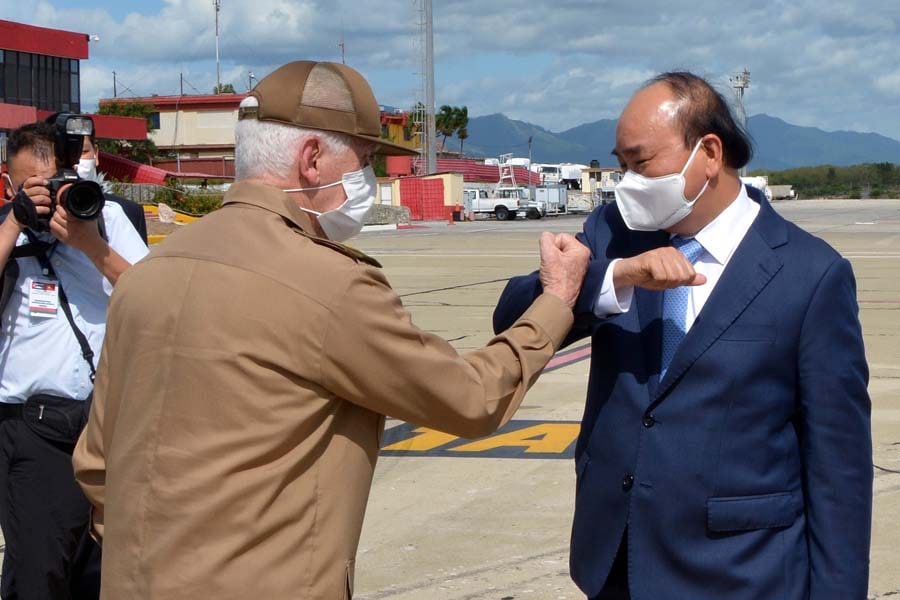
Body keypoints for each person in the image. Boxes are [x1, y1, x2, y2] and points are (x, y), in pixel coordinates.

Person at [72, 60, 590, 599]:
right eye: (363, 161)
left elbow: (96, 464)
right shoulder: (329, 285)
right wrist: (555, 303)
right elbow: (471, 398)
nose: (367, 180)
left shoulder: (147, 275)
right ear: (313, 160)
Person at [494, 72, 872, 600]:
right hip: (616, 563)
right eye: (621, 165)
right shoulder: (612, 234)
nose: (626, 182)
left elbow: (839, 465)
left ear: (709, 153)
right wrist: (617, 276)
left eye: (641, 163)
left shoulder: (811, 275)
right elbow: (512, 315)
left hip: (743, 573)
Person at [0, 121, 149, 599]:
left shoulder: (106, 217)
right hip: (33, 431)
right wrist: (16, 221)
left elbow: (153, 298)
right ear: (10, 184)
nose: (52, 197)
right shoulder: (7, 226)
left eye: (58, 181)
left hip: (106, 423)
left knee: (106, 571)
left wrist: (90, 242)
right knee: (38, 573)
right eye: (35, 188)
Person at [77, 133, 149, 243]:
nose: (75, 162)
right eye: (62, 153)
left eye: (83, 152)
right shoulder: (41, 216)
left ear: (96, 153)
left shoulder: (129, 212)